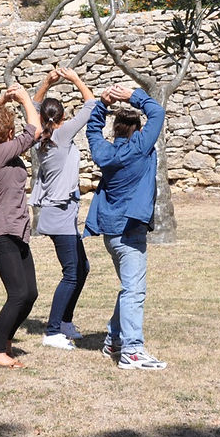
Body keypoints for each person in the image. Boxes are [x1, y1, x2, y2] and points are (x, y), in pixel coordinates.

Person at [85, 83, 167, 371]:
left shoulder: (104, 153)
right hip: (130, 231)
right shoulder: (140, 149)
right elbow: (157, 113)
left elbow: (92, 131)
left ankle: (115, 340)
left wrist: (101, 105)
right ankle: (132, 350)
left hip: (110, 231)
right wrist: (133, 96)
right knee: (134, 290)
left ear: (115, 130)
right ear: (136, 129)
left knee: (129, 288)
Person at [0, 83, 42, 369]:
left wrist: (1, 101)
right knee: (18, 294)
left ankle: (6, 339)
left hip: (16, 229)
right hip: (1, 231)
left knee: (31, 293)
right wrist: (26, 100)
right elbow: (35, 131)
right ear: (10, 134)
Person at [31, 67, 97, 350]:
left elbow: (32, 108)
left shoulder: (37, 135)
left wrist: (45, 83)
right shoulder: (63, 133)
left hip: (61, 212)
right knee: (71, 272)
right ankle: (53, 330)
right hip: (60, 213)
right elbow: (91, 105)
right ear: (61, 118)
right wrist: (75, 79)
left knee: (82, 267)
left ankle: (66, 321)